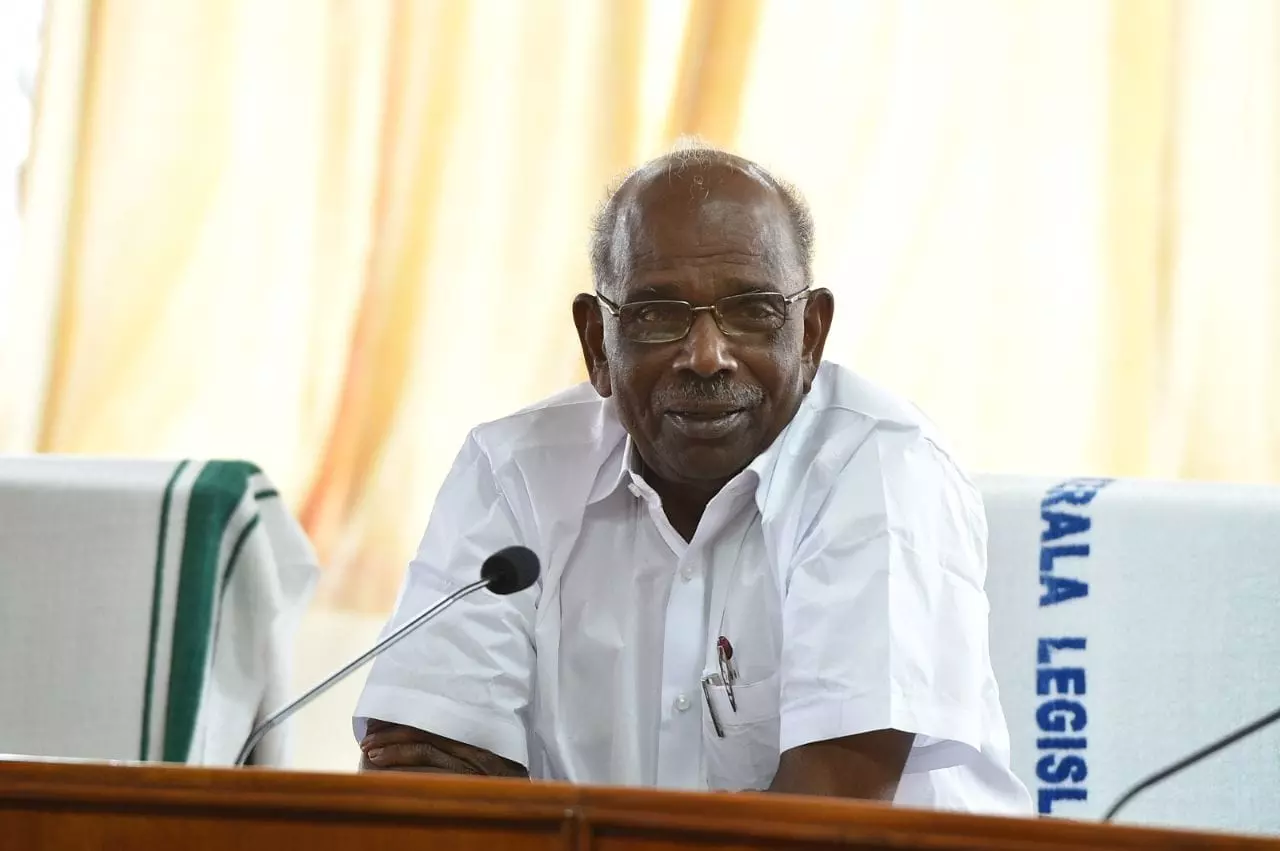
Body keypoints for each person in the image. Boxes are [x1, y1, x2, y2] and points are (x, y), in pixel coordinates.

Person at [353, 142, 1032, 812]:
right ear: (596, 343)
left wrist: (544, 826)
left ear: (810, 335)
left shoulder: (882, 468)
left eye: (752, 311)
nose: (707, 357)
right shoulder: (514, 472)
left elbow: (823, 826)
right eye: (656, 316)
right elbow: (420, 791)